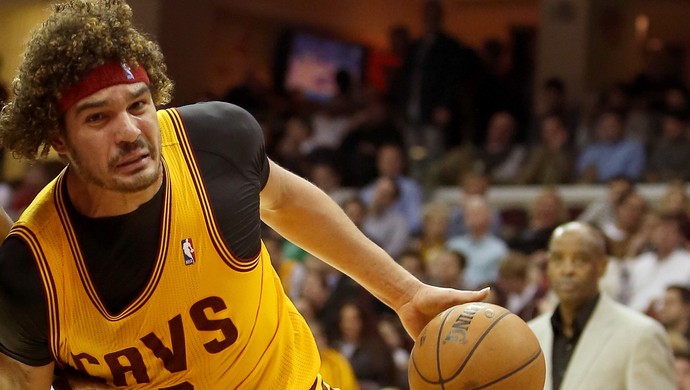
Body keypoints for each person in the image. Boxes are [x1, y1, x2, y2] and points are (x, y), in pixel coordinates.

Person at [0, 2, 489, 389]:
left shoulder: (212, 144)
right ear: (59, 140)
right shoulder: (32, 268)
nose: (129, 131)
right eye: (97, 117)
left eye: (138, 105)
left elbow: (287, 202)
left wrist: (405, 293)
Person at [528, 221, 675, 390]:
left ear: (602, 266)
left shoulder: (641, 335)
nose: (567, 270)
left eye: (580, 260)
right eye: (558, 259)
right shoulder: (530, 335)